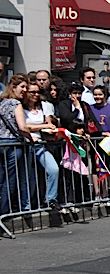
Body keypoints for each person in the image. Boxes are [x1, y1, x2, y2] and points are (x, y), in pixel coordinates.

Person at [18, 80, 61, 211]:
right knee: (28, 177)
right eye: (32, 92)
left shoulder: (42, 107)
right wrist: (43, 125)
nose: (35, 94)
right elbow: (24, 126)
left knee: (54, 169)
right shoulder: (21, 108)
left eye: (38, 92)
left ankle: (50, 199)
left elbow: (49, 123)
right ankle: (26, 206)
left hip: (41, 144)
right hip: (27, 144)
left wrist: (51, 126)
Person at [0, 75, 29, 214]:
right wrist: (30, 137)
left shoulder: (1, 102)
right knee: (10, 179)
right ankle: (4, 211)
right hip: (12, 144)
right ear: (13, 87)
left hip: (1, 143)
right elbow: (22, 127)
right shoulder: (15, 104)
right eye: (22, 87)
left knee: (1, 178)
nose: (24, 90)